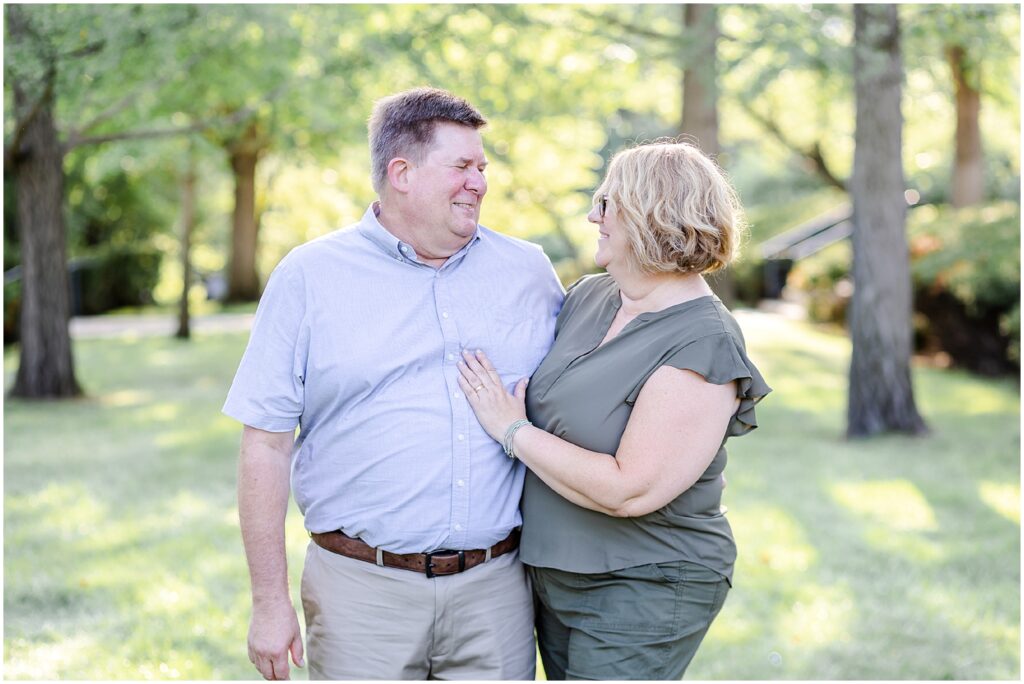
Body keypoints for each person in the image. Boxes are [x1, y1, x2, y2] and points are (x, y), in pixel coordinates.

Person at [223, 87, 564, 680]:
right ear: (401, 173)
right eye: (462, 166)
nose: (480, 182)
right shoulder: (309, 277)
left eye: (482, 168)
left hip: (496, 593)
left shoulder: (528, 271)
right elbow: (266, 445)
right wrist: (269, 603)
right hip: (361, 595)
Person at [457, 140, 772, 680]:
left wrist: (510, 429)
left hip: (646, 583)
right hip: (554, 573)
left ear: (654, 216)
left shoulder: (703, 339)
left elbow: (631, 489)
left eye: (608, 204)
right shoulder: (589, 297)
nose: (592, 216)